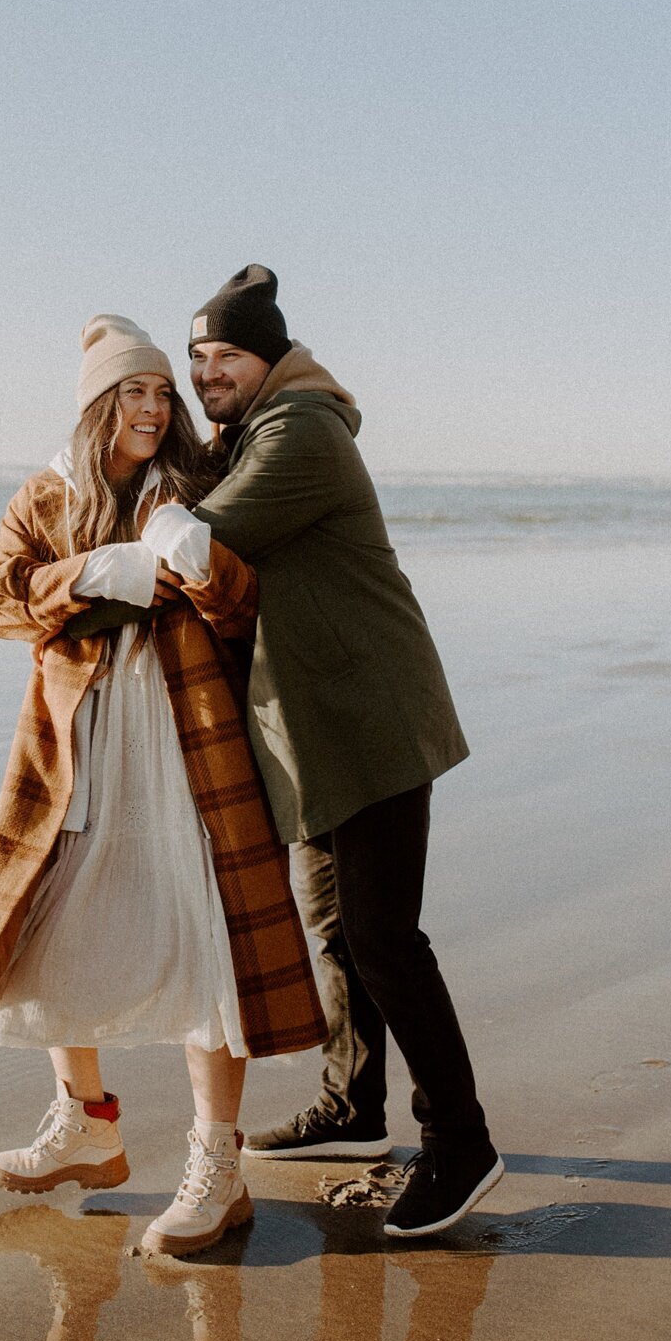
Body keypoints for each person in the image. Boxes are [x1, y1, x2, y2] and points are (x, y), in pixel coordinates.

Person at [0, 314, 327, 1258]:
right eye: (134, 391)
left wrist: (193, 554)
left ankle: (216, 1164)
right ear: (98, 404)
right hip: (82, 746)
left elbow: (244, 604)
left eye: (163, 391)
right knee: (56, 920)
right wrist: (86, 573)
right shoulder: (48, 496)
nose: (153, 407)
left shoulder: (193, 486)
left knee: (206, 939)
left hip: (192, 744)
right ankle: (89, 1125)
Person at [145, 264, 500, 1239]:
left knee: (385, 936)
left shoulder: (298, 430)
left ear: (268, 357)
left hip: (369, 716)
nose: (209, 370)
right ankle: (352, 1110)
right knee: (337, 927)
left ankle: (461, 1143)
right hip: (314, 723)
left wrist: (148, 519)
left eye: (227, 354)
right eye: (198, 356)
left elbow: (203, 541)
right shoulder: (262, 427)